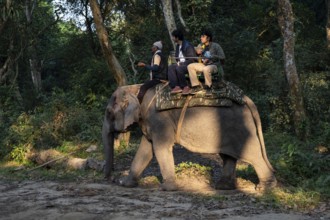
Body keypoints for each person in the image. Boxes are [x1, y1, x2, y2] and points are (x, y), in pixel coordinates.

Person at [185, 30, 225, 96]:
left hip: (214, 65)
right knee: (190, 66)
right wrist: (196, 52)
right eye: (201, 36)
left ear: (208, 38)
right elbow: (195, 50)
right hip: (203, 64)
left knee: (206, 69)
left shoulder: (216, 46)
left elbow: (222, 57)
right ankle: (196, 86)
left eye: (203, 37)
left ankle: (209, 87)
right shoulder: (200, 45)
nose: (201, 38)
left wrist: (211, 57)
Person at [167, 29, 196, 94]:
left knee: (179, 68)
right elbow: (178, 58)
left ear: (177, 37)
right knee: (171, 67)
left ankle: (185, 86)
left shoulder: (188, 45)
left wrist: (181, 63)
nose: (172, 38)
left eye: (173, 37)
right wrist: (179, 62)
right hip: (181, 64)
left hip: (188, 64)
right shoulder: (178, 46)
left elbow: (191, 59)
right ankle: (176, 86)